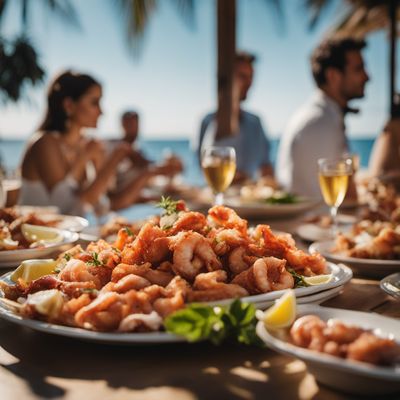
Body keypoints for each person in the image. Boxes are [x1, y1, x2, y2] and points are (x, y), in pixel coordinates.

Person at [19, 71, 178, 216]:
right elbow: (66, 210)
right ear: (69, 105)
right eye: (94, 102)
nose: (101, 112)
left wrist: (148, 173)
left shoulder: (83, 145)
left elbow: (104, 205)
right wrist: (107, 160)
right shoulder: (45, 143)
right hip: (36, 241)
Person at [276, 37, 370, 198]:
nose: (367, 77)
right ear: (333, 75)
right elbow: (327, 200)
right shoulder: (320, 123)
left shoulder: (320, 114)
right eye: (358, 69)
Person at [196, 51, 273, 182]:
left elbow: (266, 167)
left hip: (251, 199)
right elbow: (202, 166)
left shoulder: (256, 122)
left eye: (251, 77)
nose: (249, 83)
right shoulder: (208, 121)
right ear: (228, 78)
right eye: (243, 76)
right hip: (220, 197)